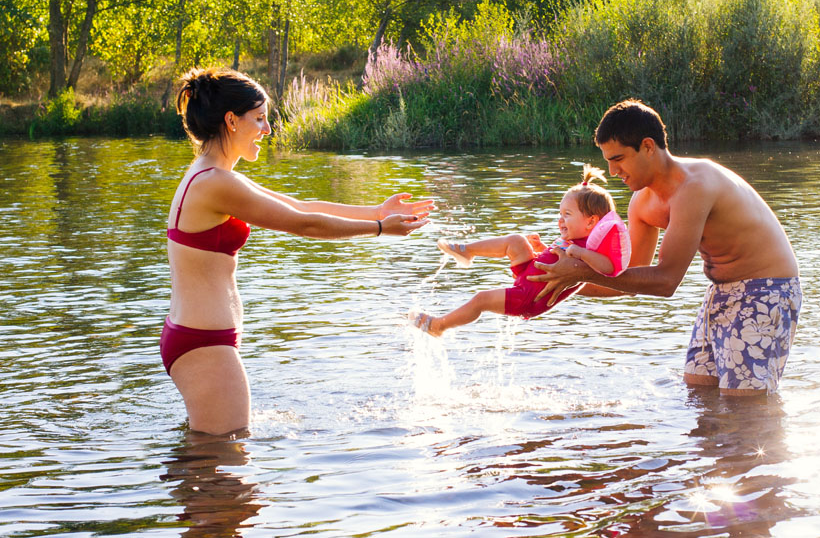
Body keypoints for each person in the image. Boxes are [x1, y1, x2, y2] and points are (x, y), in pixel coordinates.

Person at [161, 67, 433, 435]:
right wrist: (381, 229)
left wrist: (376, 211)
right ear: (231, 120)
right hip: (204, 343)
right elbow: (303, 225)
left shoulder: (215, 176)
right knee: (225, 468)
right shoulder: (214, 183)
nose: (268, 130)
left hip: (201, 337)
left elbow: (301, 206)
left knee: (217, 463)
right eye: (259, 119)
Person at [529, 99, 801, 397]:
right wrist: (552, 280)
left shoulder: (695, 186)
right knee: (700, 394)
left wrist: (578, 272)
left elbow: (666, 281)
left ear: (647, 146)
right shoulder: (642, 203)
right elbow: (627, 279)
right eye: (607, 160)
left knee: (744, 407)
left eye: (618, 158)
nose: (612, 170)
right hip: (719, 293)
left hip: (767, 291)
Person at [410, 166, 629, 336]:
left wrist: (580, 254)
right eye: (560, 214)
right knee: (516, 241)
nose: (560, 220)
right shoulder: (571, 241)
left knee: (481, 299)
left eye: (567, 215)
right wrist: (541, 249)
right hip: (530, 274)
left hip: (529, 298)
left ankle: (439, 325)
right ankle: (467, 251)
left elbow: (608, 267)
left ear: (591, 223)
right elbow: (555, 262)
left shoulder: (586, 250)